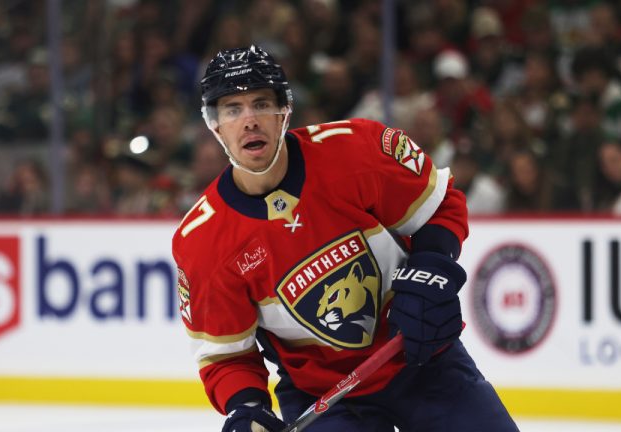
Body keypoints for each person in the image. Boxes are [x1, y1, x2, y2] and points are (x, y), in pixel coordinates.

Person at [171, 45, 518, 432]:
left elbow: (439, 207)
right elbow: (225, 355)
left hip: (421, 358)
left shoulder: (356, 149)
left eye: (261, 104)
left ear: (285, 109)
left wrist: (430, 270)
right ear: (214, 125)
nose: (249, 121)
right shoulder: (203, 240)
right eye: (232, 109)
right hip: (323, 397)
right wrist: (246, 407)